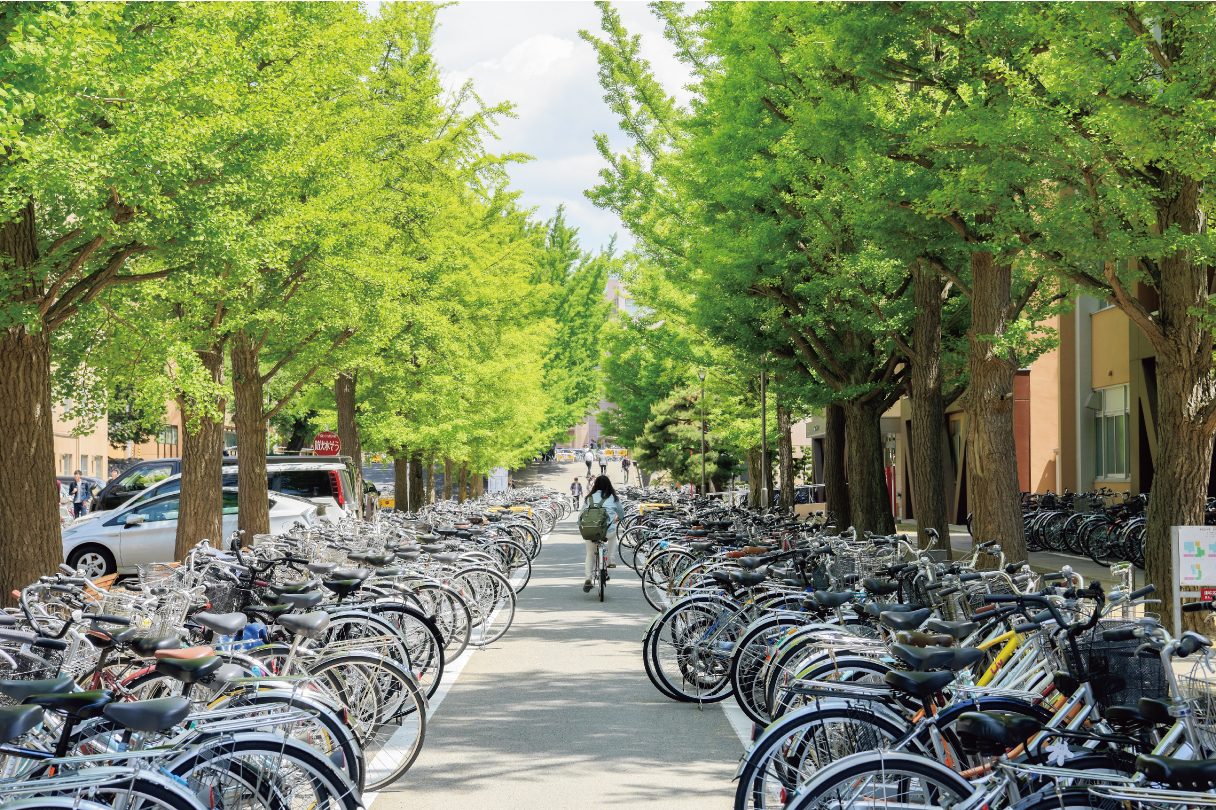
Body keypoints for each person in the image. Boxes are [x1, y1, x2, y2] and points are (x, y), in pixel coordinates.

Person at [578, 475, 625, 593]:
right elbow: (622, 515)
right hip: (607, 532)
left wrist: (582, 526)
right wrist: (615, 519)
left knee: (590, 554)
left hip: (591, 532)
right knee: (613, 536)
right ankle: (611, 559)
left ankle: (588, 578)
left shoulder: (590, 498)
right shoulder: (614, 498)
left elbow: (580, 517)